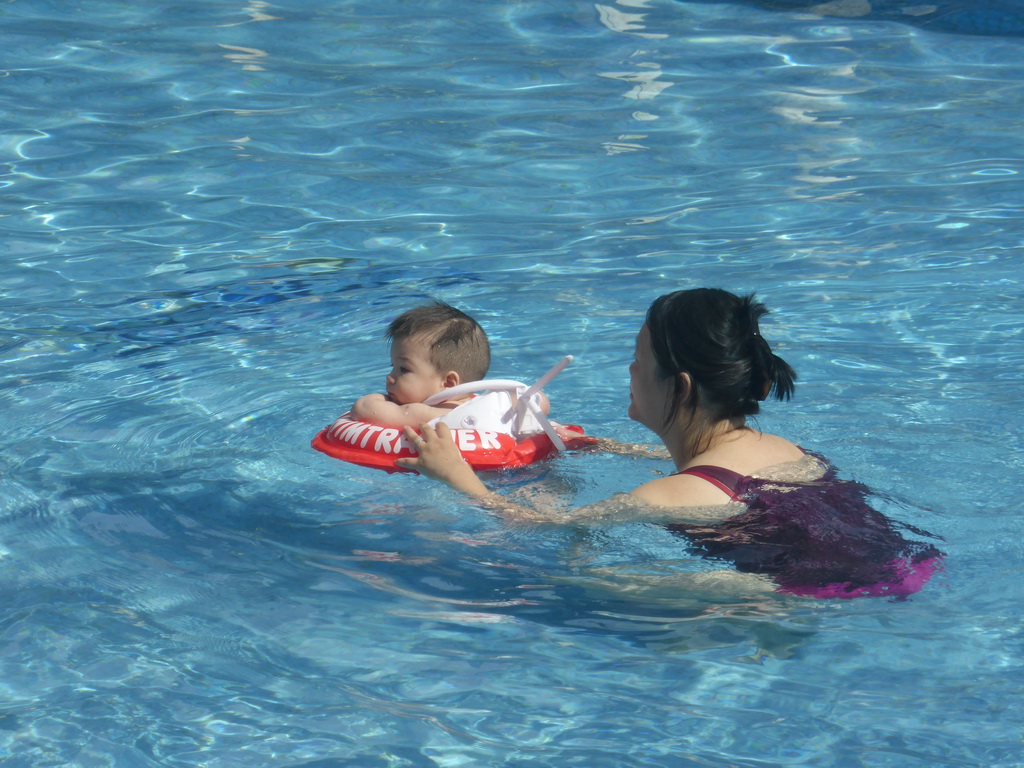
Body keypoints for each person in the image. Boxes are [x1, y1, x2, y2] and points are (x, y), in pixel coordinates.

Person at [396, 288, 943, 599]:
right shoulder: (781, 446)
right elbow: (732, 481)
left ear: (678, 386)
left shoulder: (670, 496)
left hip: (816, 600)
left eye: (639, 358)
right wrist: (606, 447)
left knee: (568, 575)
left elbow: (539, 526)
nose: (629, 369)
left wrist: (457, 475)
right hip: (910, 567)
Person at [349, 302, 492, 429]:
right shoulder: (486, 407)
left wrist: (380, 398)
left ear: (448, 382)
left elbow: (363, 408)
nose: (390, 377)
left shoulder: (430, 415)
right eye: (393, 366)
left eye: (404, 369)